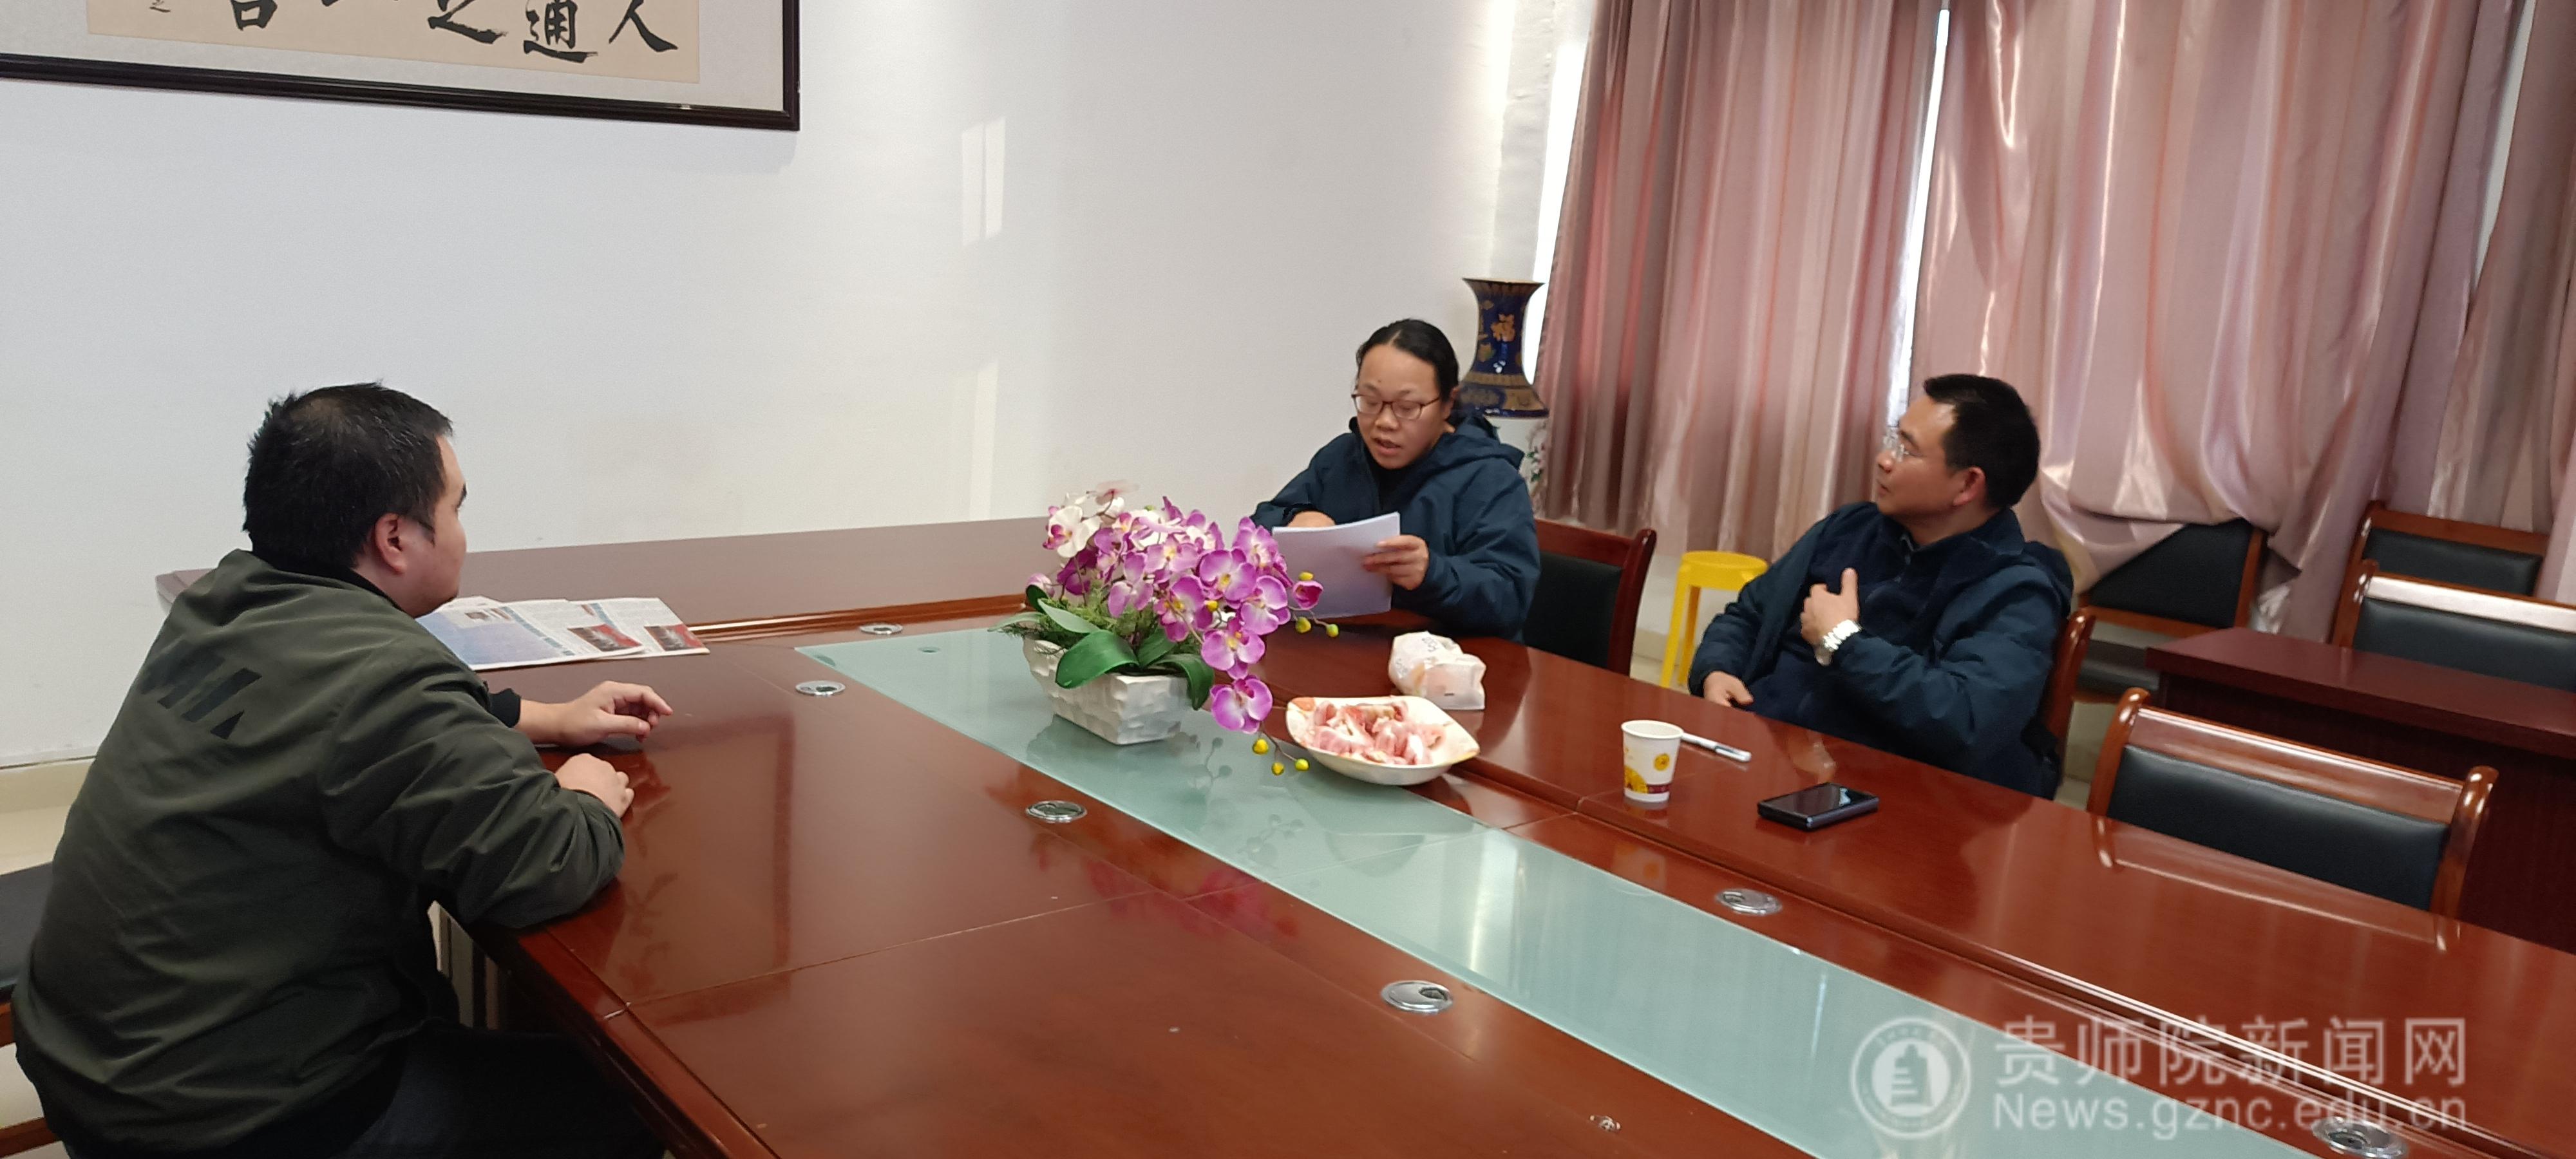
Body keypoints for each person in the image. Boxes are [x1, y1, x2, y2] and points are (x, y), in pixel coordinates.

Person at [16, 384, 668, 1159]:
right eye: (456, 508)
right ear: (395, 537)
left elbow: (330, 715)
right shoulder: (385, 678)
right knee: (632, 1100)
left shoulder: (228, 600)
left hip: (94, 1058)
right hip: (233, 1119)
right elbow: (542, 867)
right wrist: (585, 799)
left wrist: (547, 717)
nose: (463, 533)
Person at [1689, 374, 2073, 798]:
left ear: (1967, 485)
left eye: (1907, 450)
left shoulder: (2015, 591)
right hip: (1760, 753)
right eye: (1894, 439)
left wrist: (1842, 641)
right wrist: (1717, 670)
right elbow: (1749, 614)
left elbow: (1966, 720)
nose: (1884, 460)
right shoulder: (1850, 529)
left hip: (1881, 796)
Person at [1253, 319, 1540, 638]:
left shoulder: (1491, 479)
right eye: (1370, 402)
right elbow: (1258, 528)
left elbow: (1510, 598)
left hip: (1452, 658)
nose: (1385, 422)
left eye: (1407, 407)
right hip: (1347, 646)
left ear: (1447, 403)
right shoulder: (1343, 457)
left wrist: (1433, 573)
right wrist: (1294, 519)